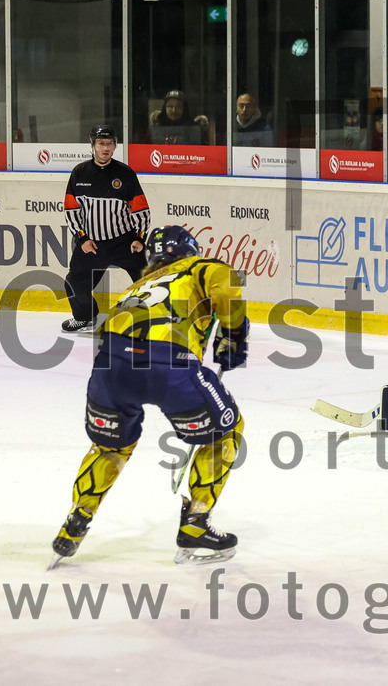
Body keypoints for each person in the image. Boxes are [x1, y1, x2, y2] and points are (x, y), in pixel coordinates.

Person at [49, 225, 250, 569]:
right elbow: (227, 290)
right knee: (227, 432)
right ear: (191, 250)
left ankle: (75, 523)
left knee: (111, 446)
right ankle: (196, 523)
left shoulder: (137, 286)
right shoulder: (201, 267)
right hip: (168, 365)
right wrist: (233, 337)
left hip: (110, 367)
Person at [61, 125, 151, 333]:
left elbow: (141, 209)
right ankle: (85, 317)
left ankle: (157, 320)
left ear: (115, 146)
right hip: (93, 243)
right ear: (92, 146)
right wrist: (82, 239)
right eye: (101, 143)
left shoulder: (125, 174)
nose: (105, 148)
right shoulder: (80, 173)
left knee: (147, 282)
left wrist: (139, 238)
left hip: (125, 242)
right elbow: (71, 208)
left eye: (109, 143)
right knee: (74, 282)